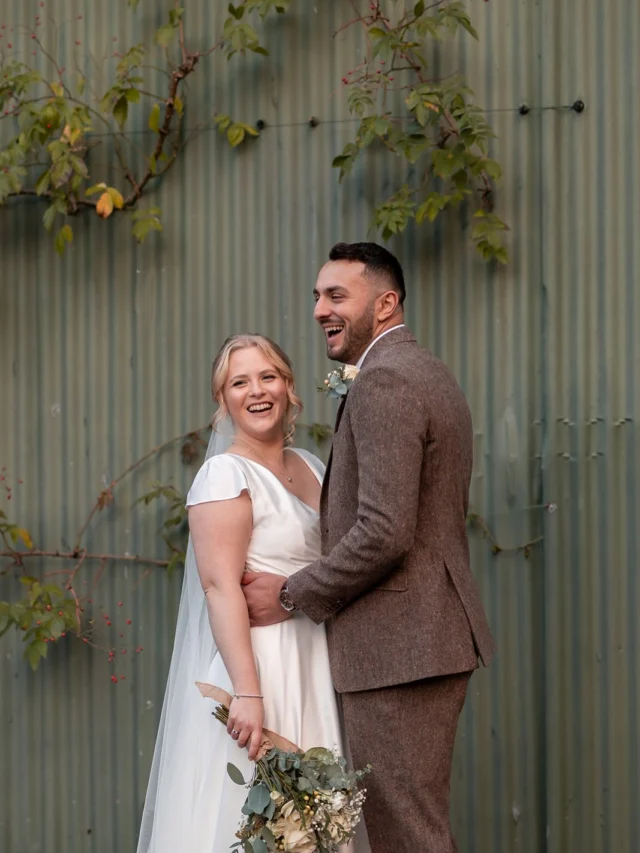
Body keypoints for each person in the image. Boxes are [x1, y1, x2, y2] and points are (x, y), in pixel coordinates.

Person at [242, 242, 496, 853]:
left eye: (336, 295)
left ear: (385, 304)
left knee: (405, 833)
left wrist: (292, 593)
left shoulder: (385, 382)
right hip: (419, 641)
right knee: (408, 825)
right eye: (316, 296)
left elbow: (384, 531)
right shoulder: (426, 371)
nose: (318, 309)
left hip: (400, 648)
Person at [136, 334, 369, 853]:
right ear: (223, 401)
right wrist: (247, 691)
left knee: (316, 824)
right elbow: (220, 588)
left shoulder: (311, 466)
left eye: (267, 377)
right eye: (239, 382)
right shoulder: (224, 474)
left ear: (288, 387)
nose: (256, 391)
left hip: (316, 663)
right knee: (261, 822)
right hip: (262, 671)